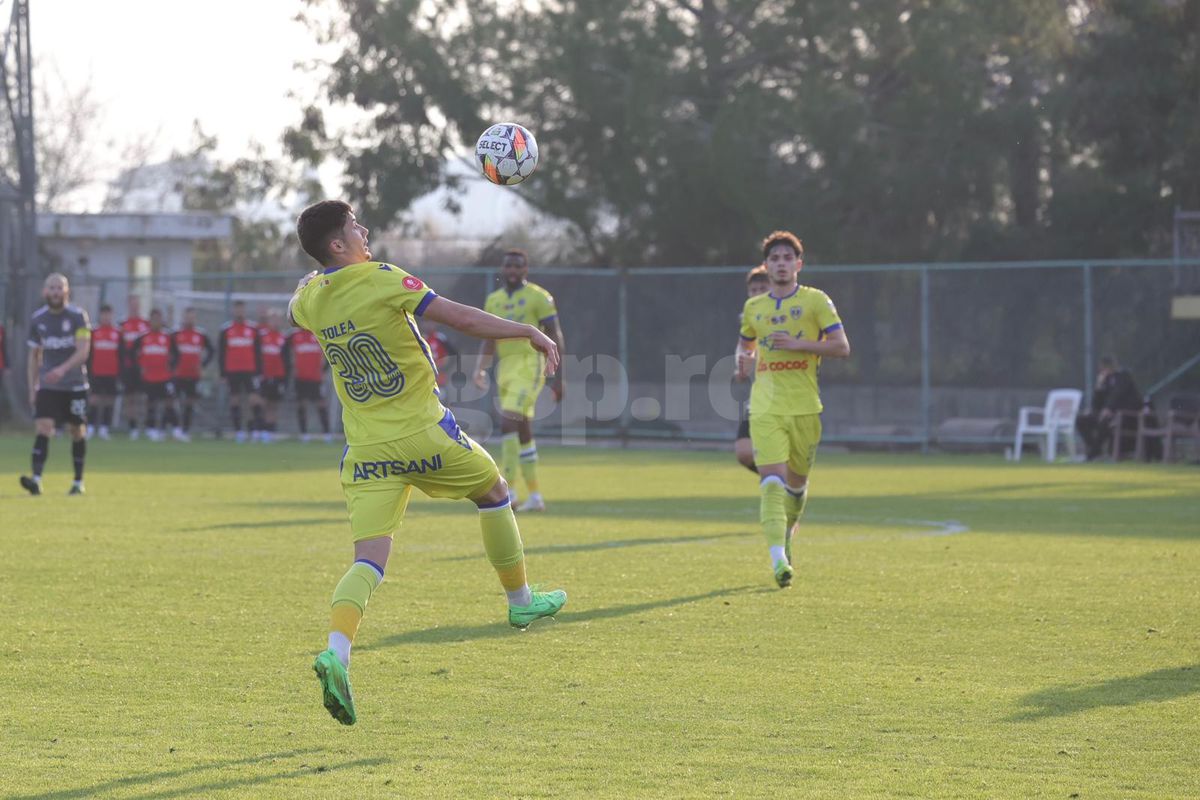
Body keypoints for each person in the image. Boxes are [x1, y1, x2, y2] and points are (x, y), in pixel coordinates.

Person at [289, 200, 566, 726]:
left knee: (368, 560)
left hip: (366, 450)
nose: (363, 230)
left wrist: (312, 279)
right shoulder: (381, 277)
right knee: (494, 492)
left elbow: (293, 308)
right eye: (354, 226)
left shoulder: (310, 298)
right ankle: (520, 600)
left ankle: (336, 653)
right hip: (423, 433)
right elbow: (458, 316)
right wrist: (526, 331)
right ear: (338, 244)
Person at [735, 231, 851, 588]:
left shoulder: (817, 301)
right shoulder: (754, 308)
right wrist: (741, 364)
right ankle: (778, 560)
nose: (781, 264)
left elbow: (841, 347)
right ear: (766, 266)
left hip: (804, 407)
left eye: (788, 258)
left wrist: (798, 344)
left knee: (796, 487)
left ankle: (786, 536)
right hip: (765, 406)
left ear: (798, 265)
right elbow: (745, 347)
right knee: (772, 481)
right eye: (775, 259)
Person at [472, 249, 566, 512]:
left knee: (508, 422)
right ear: (503, 270)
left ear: (525, 270)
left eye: (517, 266)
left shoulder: (539, 297)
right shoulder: (494, 299)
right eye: (508, 266)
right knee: (522, 431)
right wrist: (480, 368)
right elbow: (488, 337)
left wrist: (560, 377)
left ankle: (509, 491)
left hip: (530, 368)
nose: (512, 270)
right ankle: (535, 496)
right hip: (505, 371)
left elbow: (556, 335)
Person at [20, 273, 92, 496]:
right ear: (45, 292)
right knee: (43, 427)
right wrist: (33, 388)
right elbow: (33, 357)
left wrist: (61, 369)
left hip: (75, 385)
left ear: (67, 291)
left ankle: (78, 482)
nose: (55, 292)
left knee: (77, 430)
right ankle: (36, 480)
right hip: (49, 386)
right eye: (51, 288)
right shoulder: (38, 319)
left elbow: (83, 351)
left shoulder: (78, 316)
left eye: (59, 288)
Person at [734, 265, 771, 472]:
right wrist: (741, 371)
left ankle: (783, 482)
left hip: (787, 397)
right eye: (753, 290)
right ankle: (781, 481)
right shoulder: (748, 323)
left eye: (762, 288)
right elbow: (741, 370)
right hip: (759, 398)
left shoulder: (781, 318)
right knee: (744, 452)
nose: (757, 294)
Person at [1076, 356, 1144, 461]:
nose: (1103, 370)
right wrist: (1098, 386)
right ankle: (1096, 449)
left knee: (1105, 421)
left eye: (1106, 367)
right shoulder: (1105, 380)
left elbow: (1117, 394)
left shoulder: (1124, 376)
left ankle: (1092, 454)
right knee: (1081, 420)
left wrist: (1108, 408)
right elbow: (1096, 405)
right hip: (1107, 414)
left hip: (1126, 416)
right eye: (1102, 368)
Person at [170, 307, 215, 441]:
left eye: (192, 317)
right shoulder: (175, 334)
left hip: (194, 374)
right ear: (183, 318)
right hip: (178, 374)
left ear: (195, 318)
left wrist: (203, 365)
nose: (189, 319)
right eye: (187, 316)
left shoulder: (201, 334)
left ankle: (185, 430)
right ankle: (176, 428)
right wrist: (172, 367)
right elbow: (169, 352)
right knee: (173, 401)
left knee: (189, 402)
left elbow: (211, 351)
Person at [218, 300, 261, 442]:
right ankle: (238, 431)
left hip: (250, 370)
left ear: (245, 310)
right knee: (235, 400)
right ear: (233, 311)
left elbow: (258, 352)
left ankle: (254, 430)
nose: (239, 312)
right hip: (232, 370)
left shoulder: (253, 329)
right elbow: (222, 353)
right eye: (237, 309)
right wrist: (223, 373)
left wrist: (259, 372)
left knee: (253, 400)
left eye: (242, 309)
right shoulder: (226, 330)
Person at [131, 309, 175, 442]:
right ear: (150, 321)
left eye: (158, 319)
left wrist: (171, 367)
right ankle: (151, 429)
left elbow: (176, 355)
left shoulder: (168, 337)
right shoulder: (142, 337)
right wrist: (140, 366)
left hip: (165, 376)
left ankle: (162, 428)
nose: (156, 322)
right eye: (154, 319)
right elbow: (132, 354)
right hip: (149, 377)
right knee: (150, 403)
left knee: (169, 402)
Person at [286, 323, 332, 442]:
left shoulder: (318, 334)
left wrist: (323, 369)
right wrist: (292, 368)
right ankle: (304, 434)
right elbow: (287, 353)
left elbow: (327, 353)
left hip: (316, 378)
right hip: (300, 377)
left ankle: (327, 433)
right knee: (302, 404)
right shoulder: (293, 336)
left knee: (321, 404)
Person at [88, 305, 123, 440]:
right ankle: (90, 427)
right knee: (94, 400)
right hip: (96, 372)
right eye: (103, 315)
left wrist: (120, 373)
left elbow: (121, 354)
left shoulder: (118, 333)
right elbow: (89, 354)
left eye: (108, 314)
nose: (106, 317)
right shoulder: (93, 332)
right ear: (100, 316)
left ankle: (104, 428)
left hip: (112, 373)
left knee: (109, 401)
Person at [119, 295, 150, 439]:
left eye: (137, 304)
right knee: (129, 398)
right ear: (128, 305)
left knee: (142, 397)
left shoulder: (146, 324)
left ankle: (143, 424)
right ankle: (132, 426)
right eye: (132, 304)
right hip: (127, 367)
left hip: (142, 368)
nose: (134, 306)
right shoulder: (122, 324)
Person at [255, 309, 288, 443]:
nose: (274, 322)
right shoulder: (261, 336)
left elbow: (286, 359)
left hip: (278, 376)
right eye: (272, 319)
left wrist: (285, 377)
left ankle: (270, 431)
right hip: (264, 375)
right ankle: (258, 429)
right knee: (260, 402)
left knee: (273, 405)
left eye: (277, 319)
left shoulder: (283, 337)